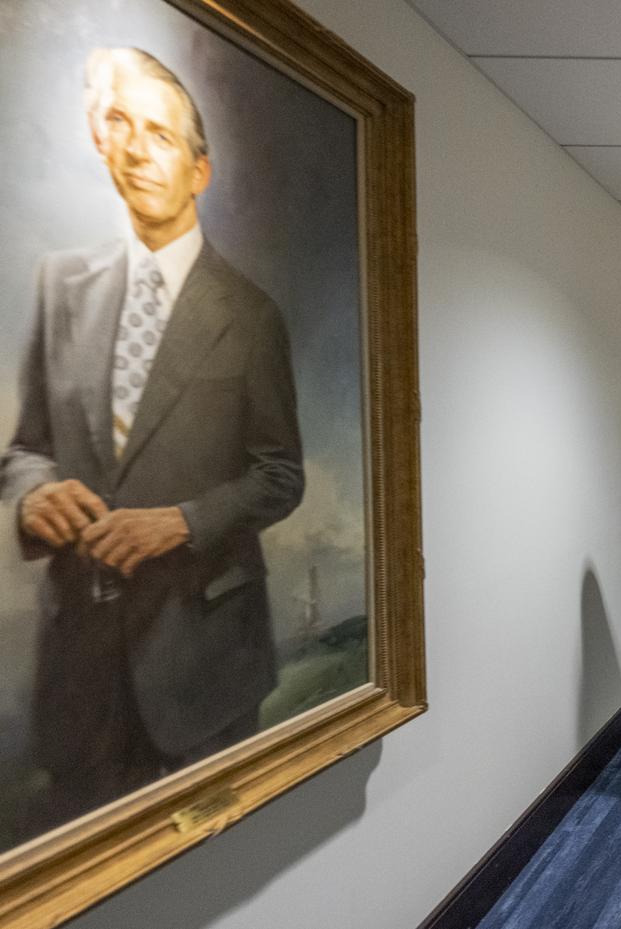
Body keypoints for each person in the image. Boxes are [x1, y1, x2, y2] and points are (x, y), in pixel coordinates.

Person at [0, 48, 304, 833]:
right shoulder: (61, 286)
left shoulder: (249, 312)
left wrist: (183, 520)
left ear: (200, 171)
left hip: (202, 657)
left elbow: (280, 475)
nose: (136, 149)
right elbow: (26, 444)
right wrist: (32, 493)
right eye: (120, 126)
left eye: (161, 135)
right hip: (82, 665)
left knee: (222, 864)